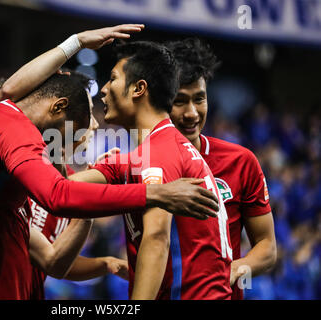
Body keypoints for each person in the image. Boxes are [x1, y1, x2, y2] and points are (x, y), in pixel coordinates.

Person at [0, 27, 220, 300]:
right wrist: (156, 194)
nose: (58, 144)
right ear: (58, 108)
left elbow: (10, 88)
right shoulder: (12, 130)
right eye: (76, 130)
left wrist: (76, 41)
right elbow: (59, 197)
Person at [69, 41, 232, 300]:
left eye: (112, 79)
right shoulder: (147, 153)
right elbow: (61, 189)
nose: (104, 89)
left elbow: (157, 241)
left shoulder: (160, 152)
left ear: (138, 89)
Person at [166, 38, 277, 299]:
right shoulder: (140, 162)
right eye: (179, 101)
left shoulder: (241, 162)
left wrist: (234, 269)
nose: (192, 113)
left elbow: (268, 247)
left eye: (199, 99)